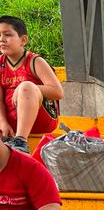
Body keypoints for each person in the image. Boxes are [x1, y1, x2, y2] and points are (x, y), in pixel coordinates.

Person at [0, 15, 62, 152]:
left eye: (7, 35)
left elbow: (58, 92)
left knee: (26, 87)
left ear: (23, 40)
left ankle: (20, 142)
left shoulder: (35, 61)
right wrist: (3, 122)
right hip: (9, 121)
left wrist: (23, 88)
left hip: (39, 119)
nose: (2, 39)